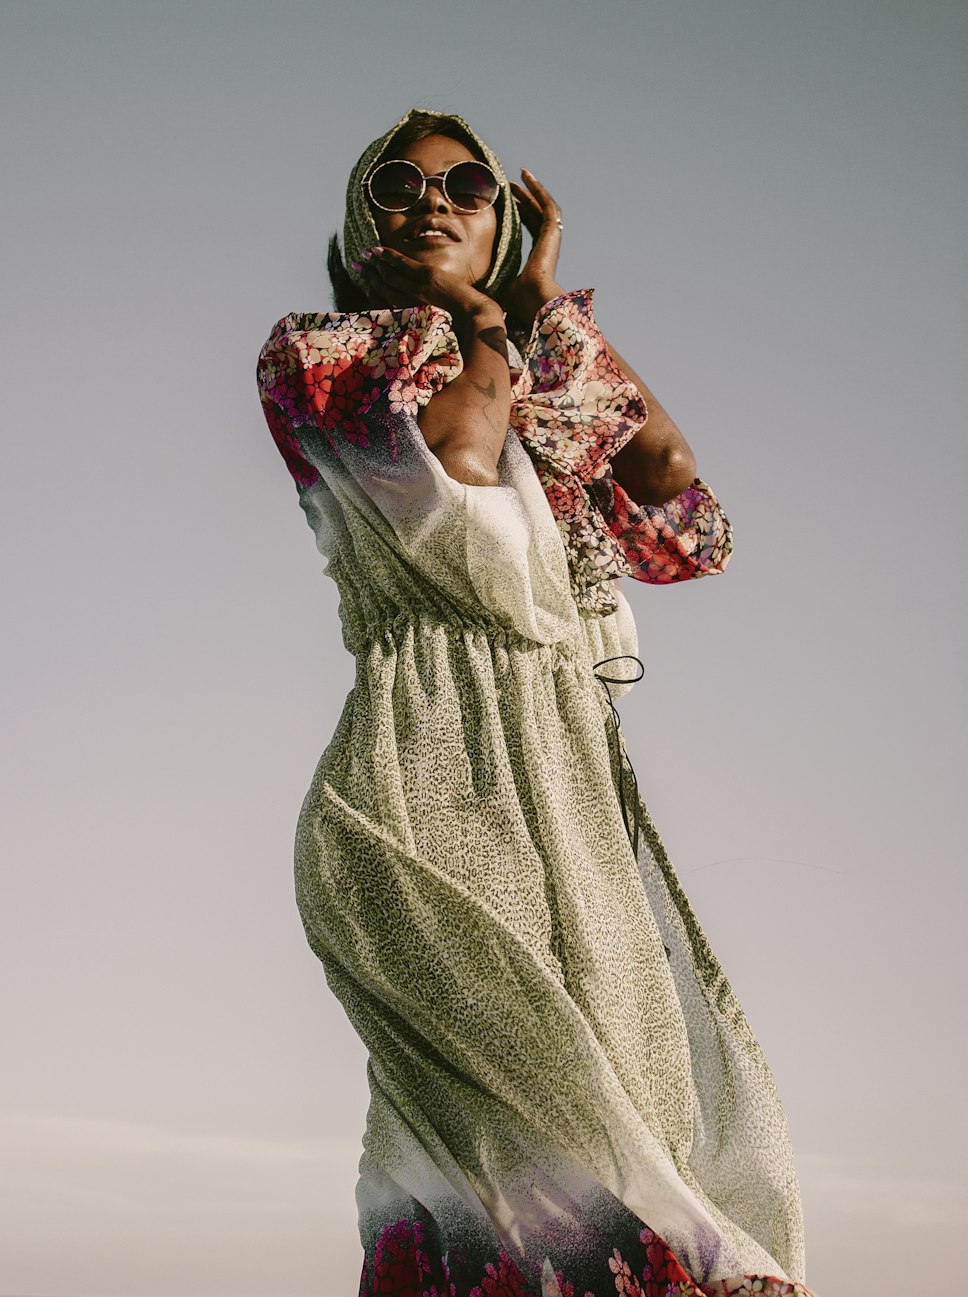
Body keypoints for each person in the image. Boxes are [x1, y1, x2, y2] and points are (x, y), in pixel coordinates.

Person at [257, 108, 817, 1297]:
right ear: (361, 228)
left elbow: (671, 489)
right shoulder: (325, 356)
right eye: (396, 184)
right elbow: (452, 471)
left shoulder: (526, 370)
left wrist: (546, 305)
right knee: (513, 1138)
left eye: (465, 184)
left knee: (626, 1098)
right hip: (425, 770)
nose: (432, 201)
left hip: (566, 778)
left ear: (502, 222)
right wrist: (482, 321)